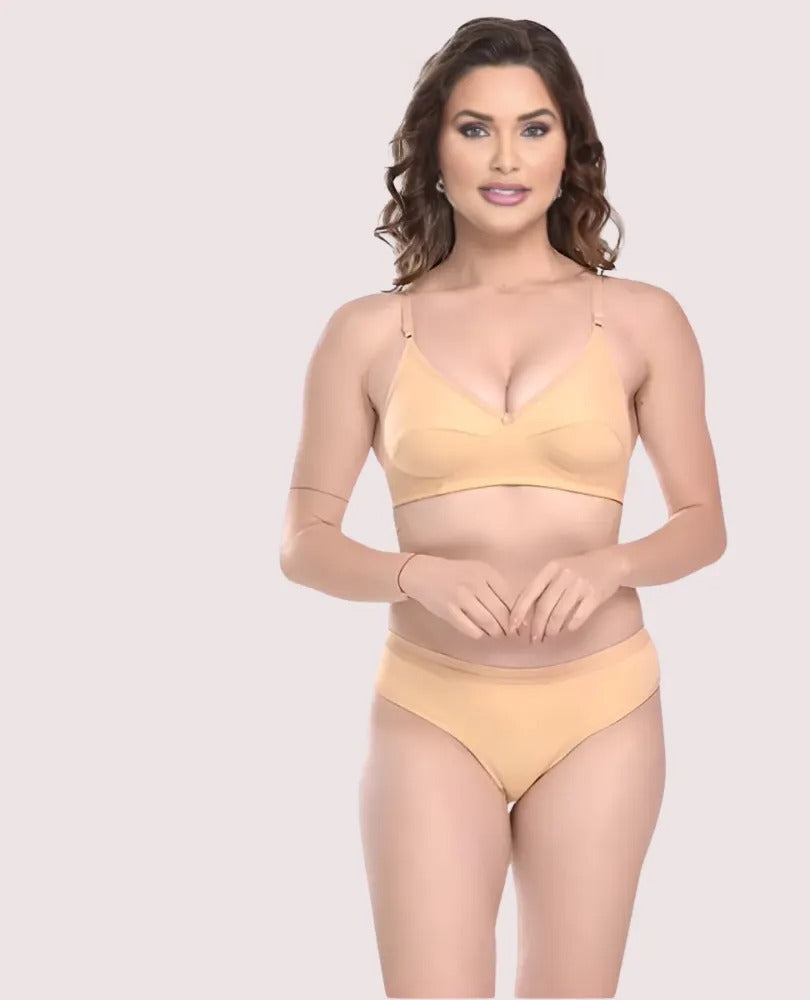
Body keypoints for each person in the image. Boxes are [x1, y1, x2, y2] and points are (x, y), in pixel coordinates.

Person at [279, 16, 726, 999]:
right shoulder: (367, 331)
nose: (506, 157)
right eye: (475, 128)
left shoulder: (643, 318)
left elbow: (703, 523)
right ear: (434, 148)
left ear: (570, 148)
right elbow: (304, 543)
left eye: (534, 127)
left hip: (602, 705)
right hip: (431, 707)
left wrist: (613, 564)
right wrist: (410, 573)